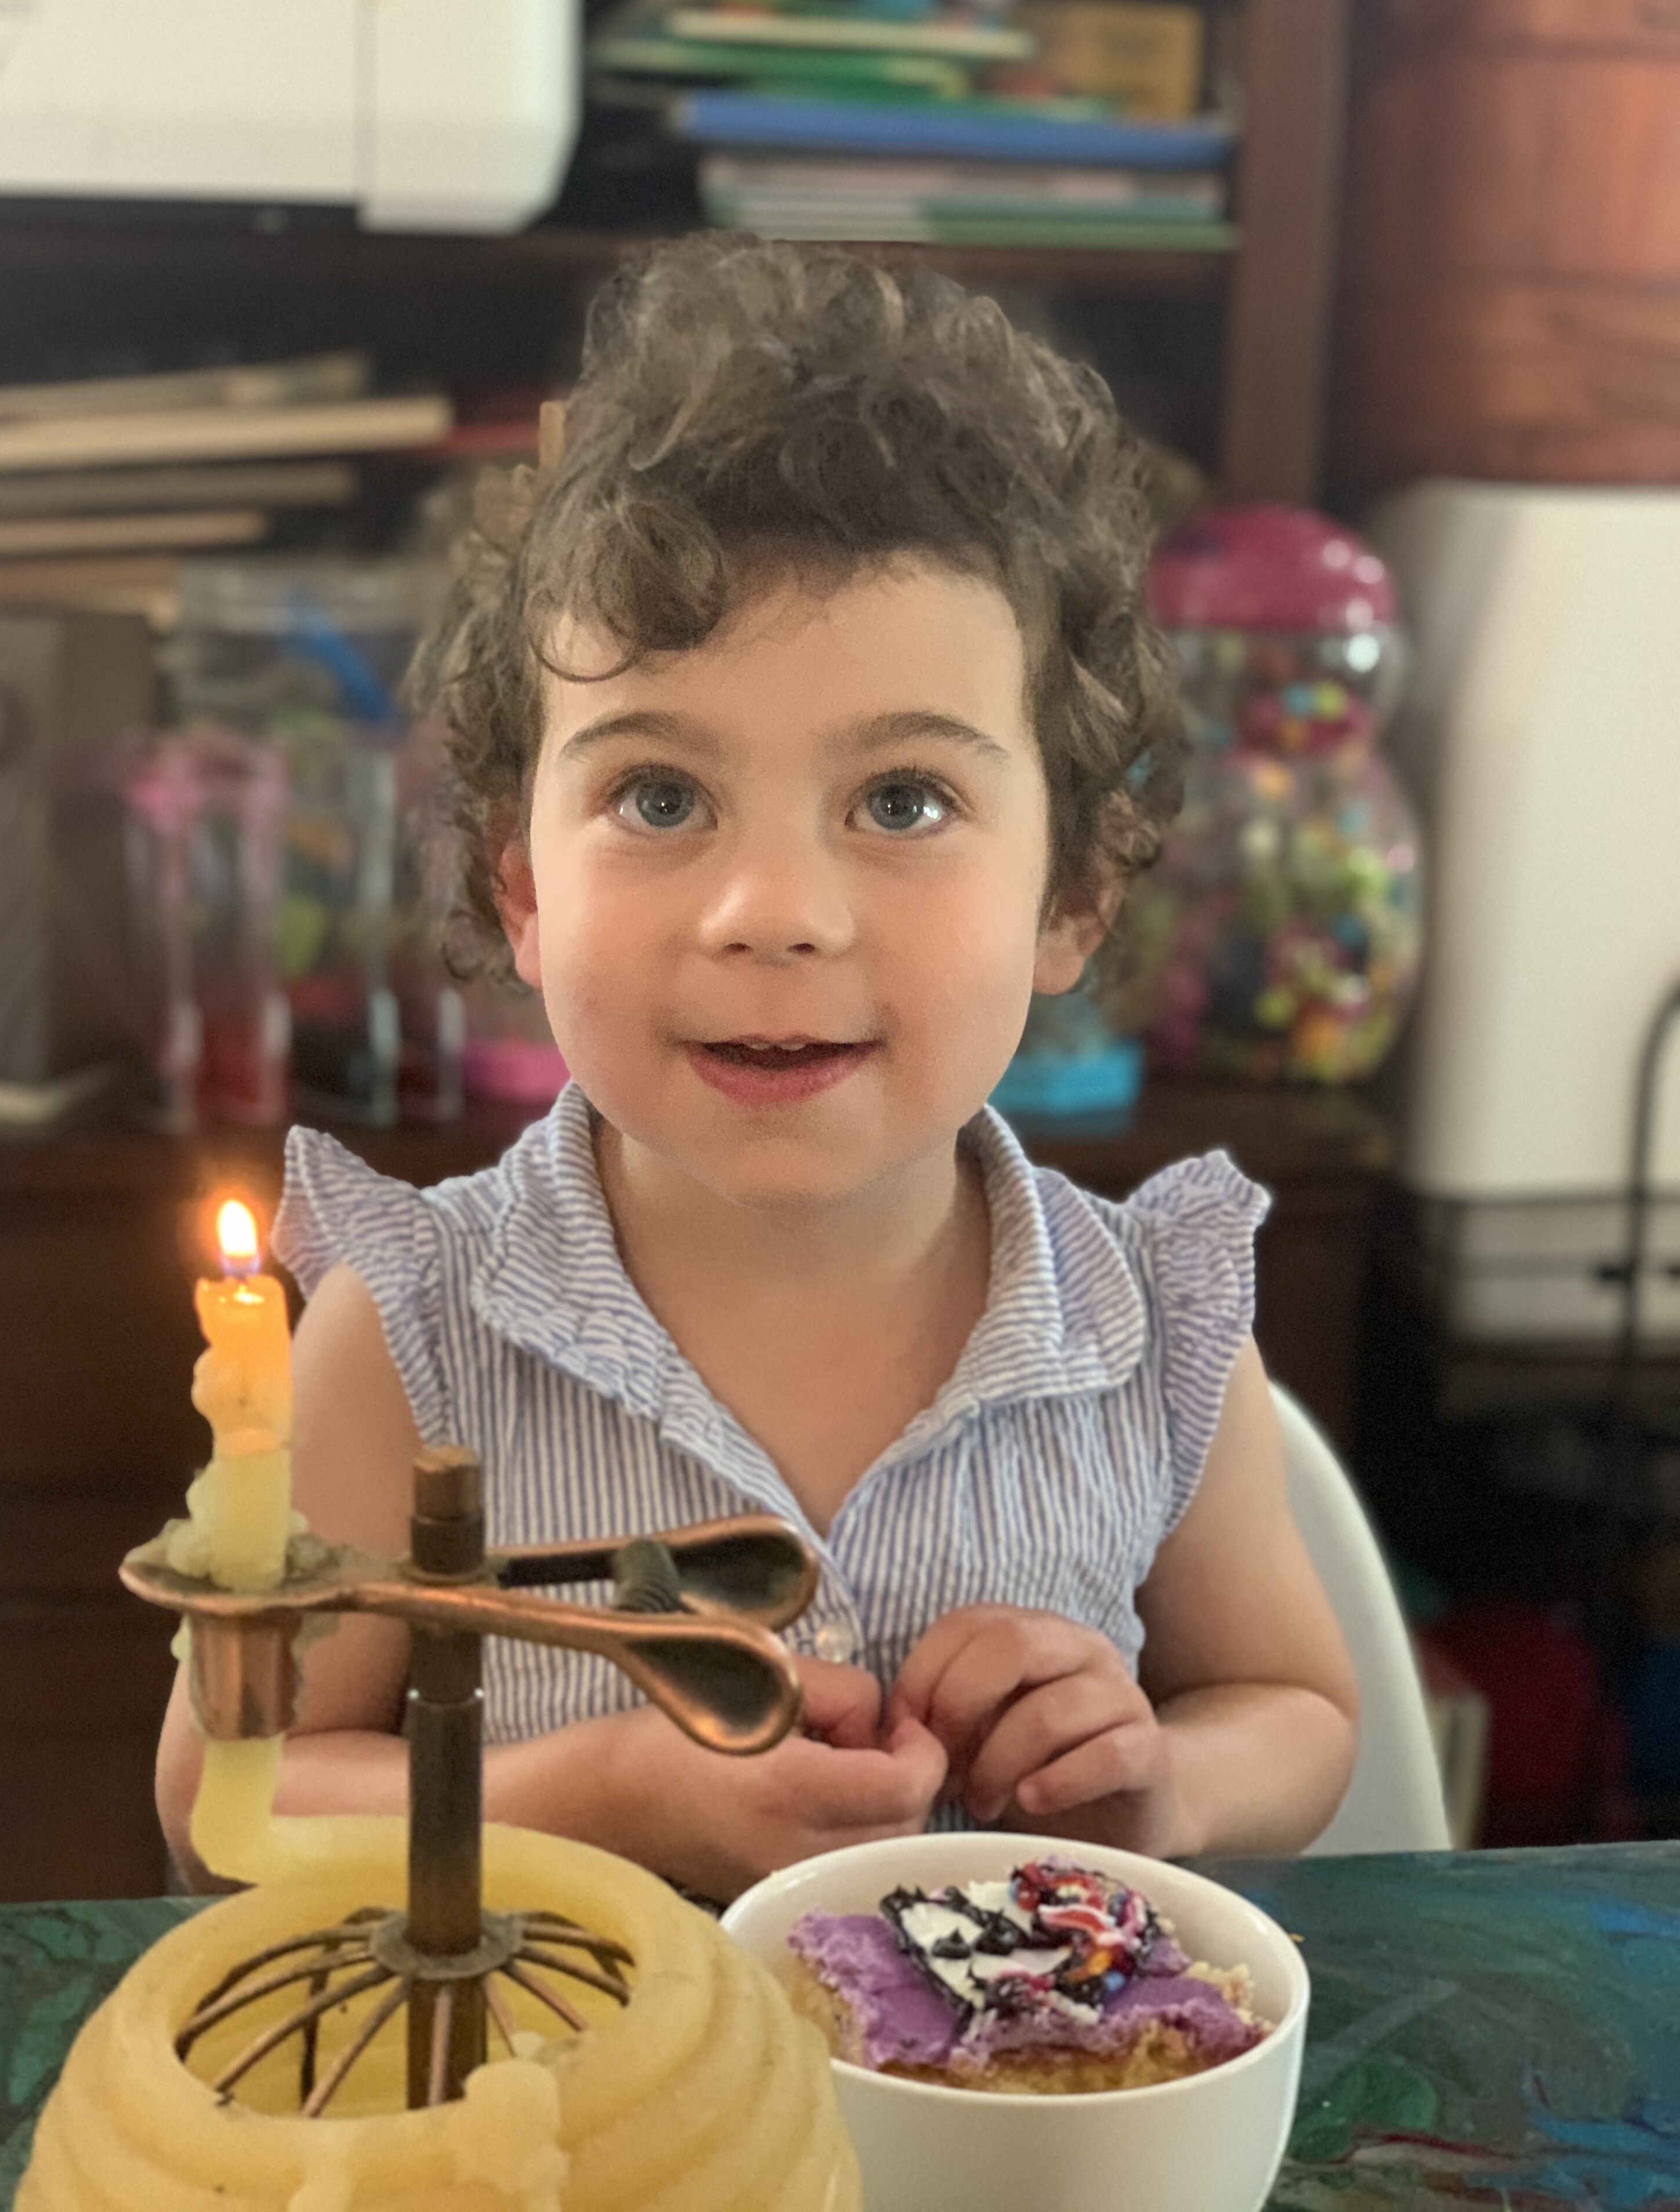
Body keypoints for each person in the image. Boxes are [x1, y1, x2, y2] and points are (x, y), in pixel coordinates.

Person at [157, 235, 1358, 1902]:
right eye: (660, 798)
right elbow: (227, 1805)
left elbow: (1298, 1712)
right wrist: (597, 1797)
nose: (772, 913)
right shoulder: (413, 1334)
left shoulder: (1151, 1329)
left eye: (903, 801)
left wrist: (1162, 1781)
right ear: (522, 884)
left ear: (1072, 895)